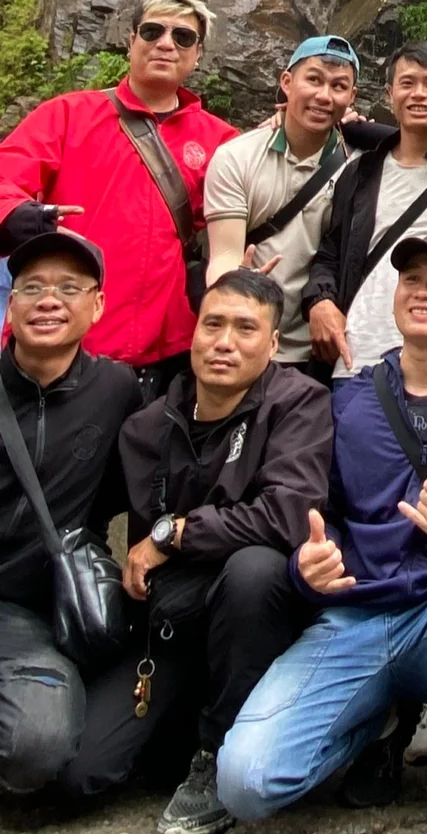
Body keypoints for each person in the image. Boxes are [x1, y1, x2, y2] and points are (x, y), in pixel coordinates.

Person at [217, 231, 427, 818]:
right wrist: (306, 568)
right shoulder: (348, 400)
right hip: (354, 618)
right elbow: (323, 518)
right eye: (412, 279)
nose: (423, 292)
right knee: (245, 784)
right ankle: (374, 719)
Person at [58, 269, 332, 834]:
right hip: (171, 628)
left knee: (253, 568)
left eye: (245, 329)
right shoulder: (144, 427)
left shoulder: (300, 403)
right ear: (194, 331)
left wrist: (173, 535)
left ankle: (217, 756)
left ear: (274, 343)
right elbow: (89, 519)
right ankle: (190, 734)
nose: (225, 342)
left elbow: (286, 516)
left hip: (261, 620)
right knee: (82, 772)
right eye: (213, 324)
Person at [0, 0, 237, 389]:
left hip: (167, 354)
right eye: (152, 31)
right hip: (64, 344)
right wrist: (24, 219)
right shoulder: (68, 115)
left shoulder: (222, 141)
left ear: (197, 54)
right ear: (131, 42)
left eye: (182, 37)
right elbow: (6, 177)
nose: (165, 43)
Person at [0, 233, 142, 794]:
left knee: (40, 746)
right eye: (31, 287)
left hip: (34, 613)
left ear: (97, 305)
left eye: (67, 288)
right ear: (10, 305)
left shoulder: (116, 389)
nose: (48, 300)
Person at [301, 41, 427, 386]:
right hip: (358, 355)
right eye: (407, 83)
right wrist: (319, 302)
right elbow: (329, 253)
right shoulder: (359, 172)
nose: (418, 95)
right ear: (389, 94)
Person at [204, 35, 361, 366]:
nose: (323, 96)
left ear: (351, 97)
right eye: (314, 79)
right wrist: (237, 286)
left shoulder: (362, 164)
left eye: (338, 86)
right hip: (250, 340)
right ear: (287, 83)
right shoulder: (237, 157)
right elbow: (224, 254)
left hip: (327, 346)